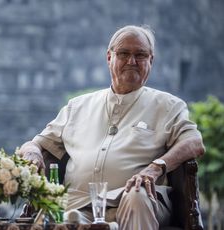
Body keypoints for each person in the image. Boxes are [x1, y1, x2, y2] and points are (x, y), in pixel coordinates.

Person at [17, 25, 205, 229]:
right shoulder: (77, 106)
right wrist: (33, 153)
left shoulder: (168, 106)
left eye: (140, 55)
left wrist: (156, 167)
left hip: (138, 202)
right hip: (80, 205)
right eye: (124, 53)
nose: (132, 61)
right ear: (109, 58)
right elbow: (34, 144)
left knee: (137, 195)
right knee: (65, 216)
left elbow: (194, 143)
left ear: (151, 60)